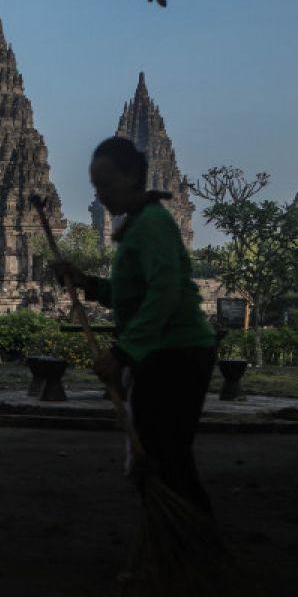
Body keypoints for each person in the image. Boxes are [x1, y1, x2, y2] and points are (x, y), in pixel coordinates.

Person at [53, 137, 217, 516]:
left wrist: (123, 353)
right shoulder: (138, 225)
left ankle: (191, 553)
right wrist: (87, 283)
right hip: (161, 352)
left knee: (165, 459)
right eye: (96, 188)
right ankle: (166, 555)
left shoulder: (154, 224)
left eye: (108, 184)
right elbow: (133, 295)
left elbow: (164, 292)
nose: (102, 195)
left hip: (177, 352)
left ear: (133, 177)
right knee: (156, 457)